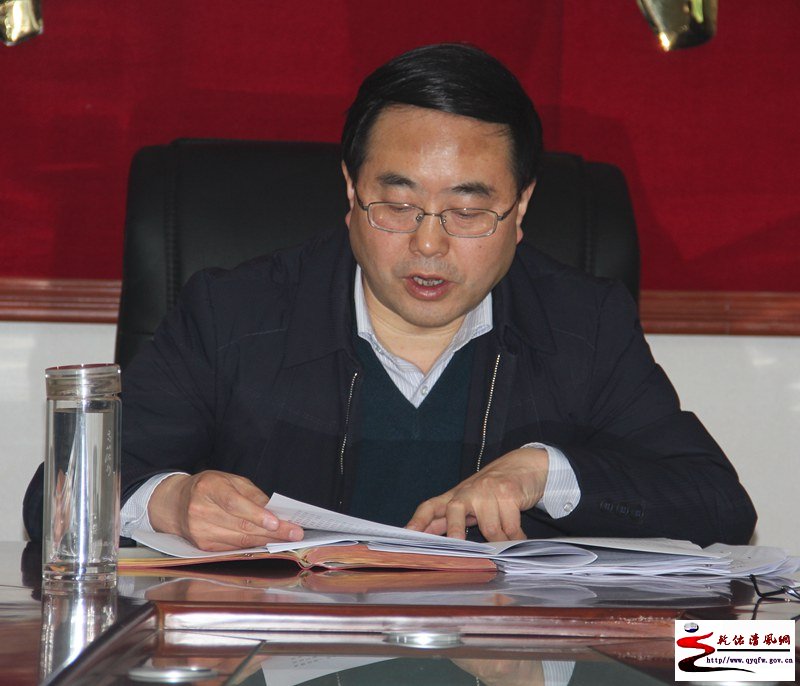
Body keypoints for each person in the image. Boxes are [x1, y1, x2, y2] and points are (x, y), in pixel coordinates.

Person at [25, 43, 756, 552]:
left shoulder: (583, 323)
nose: (429, 245)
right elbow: (56, 496)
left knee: (746, 662)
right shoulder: (232, 314)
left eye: (468, 211)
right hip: (277, 662)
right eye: (397, 205)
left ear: (522, 207)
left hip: (503, 665)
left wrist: (544, 472)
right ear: (351, 190)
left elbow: (719, 504)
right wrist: (171, 500)